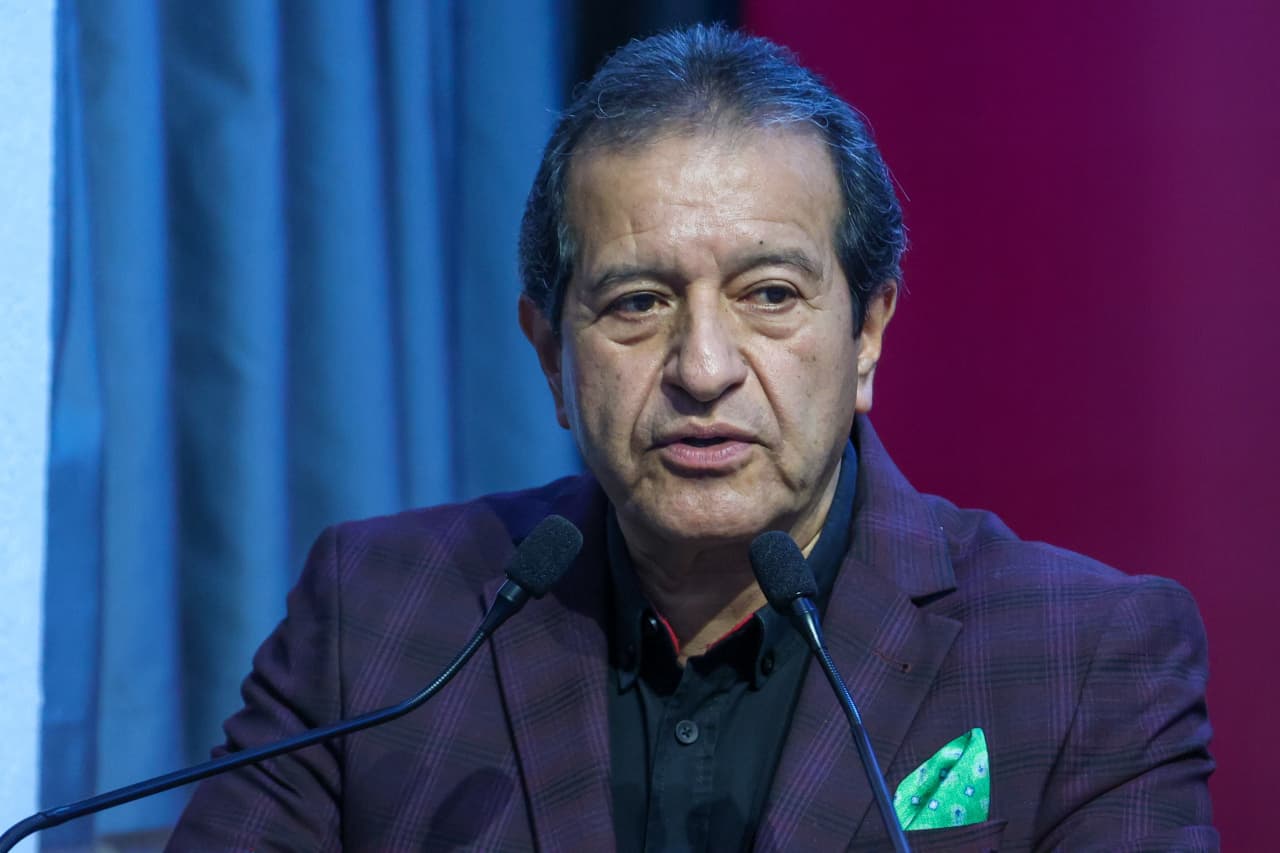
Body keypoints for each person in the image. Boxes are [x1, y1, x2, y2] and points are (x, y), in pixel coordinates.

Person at [168, 24, 1215, 851]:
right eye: (637, 303)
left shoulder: (1082, 656)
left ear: (866, 335)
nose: (703, 367)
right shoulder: (381, 619)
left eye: (769, 294)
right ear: (550, 354)